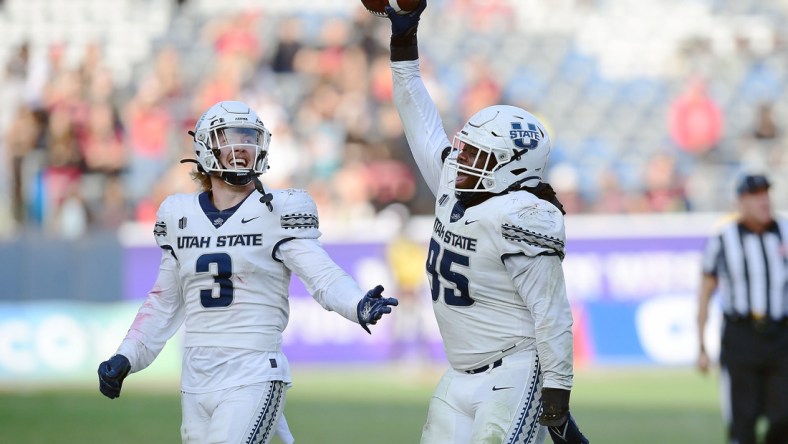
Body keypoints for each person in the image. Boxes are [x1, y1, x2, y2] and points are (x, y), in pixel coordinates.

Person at [97, 100, 398, 444]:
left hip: (252, 369)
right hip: (196, 377)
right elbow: (164, 303)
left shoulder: (278, 210)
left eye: (248, 137)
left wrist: (357, 304)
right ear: (206, 147)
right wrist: (127, 355)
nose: (241, 147)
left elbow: (323, 275)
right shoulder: (179, 215)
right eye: (230, 137)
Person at [383, 3, 588, 443]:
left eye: (477, 155)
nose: (462, 159)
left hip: (512, 371)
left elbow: (551, 314)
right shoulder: (450, 181)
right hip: (458, 372)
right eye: (466, 148)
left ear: (513, 166)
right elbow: (415, 112)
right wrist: (404, 37)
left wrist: (557, 392)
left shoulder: (523, 217)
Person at [697, 173, 788, 444]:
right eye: (755, 195)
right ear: (741, 202)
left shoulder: (784, 231)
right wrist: (701, 345)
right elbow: (705, 292)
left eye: (766, 194)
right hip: (742, 335)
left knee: (784, 417)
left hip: (782, 335)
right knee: (743, 423)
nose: (763, 201)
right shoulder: (723, 238)